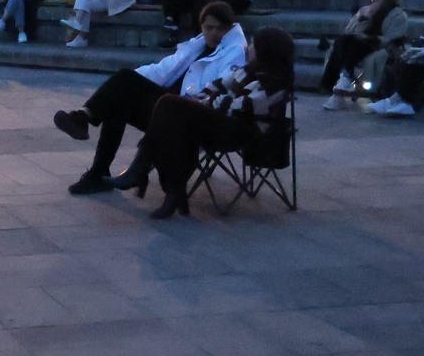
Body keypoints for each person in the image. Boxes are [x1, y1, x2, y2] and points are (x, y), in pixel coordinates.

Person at [55, 1, 247, 194]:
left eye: (220, 28)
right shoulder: (197, 45)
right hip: (170, 108)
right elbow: (163, 69)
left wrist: (125, 82)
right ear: (202, 26)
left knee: (122, 85)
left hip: (189, 115)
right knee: (119, 96)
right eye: (209, 28)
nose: (214, 33)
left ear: (229, 28)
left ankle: (84, 120)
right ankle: (97, 171)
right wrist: (126, 81)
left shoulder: (234, 51)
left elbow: (221, 88)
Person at [126, 27, 296, 219]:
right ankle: (171, 191)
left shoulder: (274, 86)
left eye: (253, 45)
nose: (248, 48)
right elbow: (218, 85)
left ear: (266, 52)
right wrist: (202, 97)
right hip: (224, 123)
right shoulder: (249, 71)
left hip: (242, 134)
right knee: (175, 122)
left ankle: (147, 170)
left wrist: (204, 102)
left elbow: (238, 107)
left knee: (171, 106)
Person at [321, 0, 410, 110]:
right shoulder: (365, 10)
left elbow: (394, 37)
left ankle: (337, 82)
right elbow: (349, 31)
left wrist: (370, 38)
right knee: (343, 41)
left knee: (346, 45)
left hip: (381, 46)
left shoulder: (398, 14)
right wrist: (363, 19)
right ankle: (344, 79)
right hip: (360, 44)